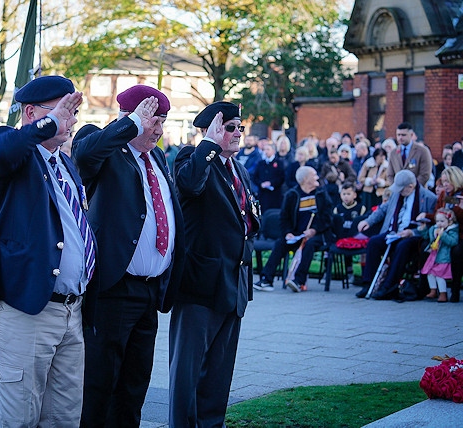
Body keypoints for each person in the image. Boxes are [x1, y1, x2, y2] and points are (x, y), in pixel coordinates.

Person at [0, 75, 86, 427]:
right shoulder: (9, 145)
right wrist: (48, 124)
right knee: (22, 415)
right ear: (30, 112)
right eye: (63, 111)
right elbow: (0, 155)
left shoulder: (64, 163)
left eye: (73, 112)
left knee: (64, 416)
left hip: (70, 309)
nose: (70, 120)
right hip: (25, 305)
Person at [73, 85, 185, 427]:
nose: (160, 130)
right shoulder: (105, 146)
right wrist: (131, 123)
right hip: (115, 287)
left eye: (163, 122)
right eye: (155, 121)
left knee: (135, 384)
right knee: (101, 383)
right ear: (132, 118)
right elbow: (84, 156)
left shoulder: (158, 157)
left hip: (150, 290)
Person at [169, 101, 259, 427]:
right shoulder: (191, 158)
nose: (236, 133)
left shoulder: (240, 169)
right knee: (188, 372)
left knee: (219, 373)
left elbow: (246, 218)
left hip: (234, 283)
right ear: (210, 131)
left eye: (239, 127)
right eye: (228, 127)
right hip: (200, 283)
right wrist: (207, 145)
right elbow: (190, 184)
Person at [356, 170, 437, 299]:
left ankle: (389, 285)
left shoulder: (429, 198)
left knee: (402, 246)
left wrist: (412, 232)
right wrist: (368, 221)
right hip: (394, 231)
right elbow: (383, 209)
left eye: (402, 189)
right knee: (374, 242)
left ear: (411, 186)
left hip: (414, 235)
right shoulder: (396, 195)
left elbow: (432, 222)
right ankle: (369, 283)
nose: (399, 191)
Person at [254, 166, 332, 292]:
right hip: (296, 234)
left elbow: (328, 217)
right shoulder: (292, 195)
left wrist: (314, 230)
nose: (317, 177)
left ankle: (298, 281)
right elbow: (284, 218)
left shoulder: (321, 194)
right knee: (280, 243)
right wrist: (288, 233)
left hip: (317, 235)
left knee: (309, 244)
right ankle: (266, 280)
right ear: (306, 179)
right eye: (314, 175)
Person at [417, 166, 463, 302]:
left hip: (459, 232)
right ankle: (428, 288)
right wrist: (426, 216)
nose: (445, 185)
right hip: (442, 230)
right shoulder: (444, 195)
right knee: (426, 245)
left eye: (447, 181)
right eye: (443, 182)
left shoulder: (460, 195)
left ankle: (454, 290)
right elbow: (439, 214)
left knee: (457, 251)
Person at [418, 208, 459, 302]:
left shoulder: (452, 230)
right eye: (437, 221)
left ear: (450, 221)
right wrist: (423, 229)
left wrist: (443, 235)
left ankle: (443, 293)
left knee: (439, 275)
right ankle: (433, 290)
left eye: (442, 221)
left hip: (443, 257)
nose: (439, 223)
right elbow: (427, 237)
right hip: (433, 256)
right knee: (430, 273)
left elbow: (453, 242)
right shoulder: (435, 228)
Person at [387, 122, 432, 188]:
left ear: (411, 135)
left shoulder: (422, 151)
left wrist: (411, 188)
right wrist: (396, 188)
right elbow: (390, 175)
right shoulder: (393, 153)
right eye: (398, 135)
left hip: (418, 191)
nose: (400, 138)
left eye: (403, 135)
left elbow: (425, 174)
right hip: (398, 192)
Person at [252, 141, 284, 211]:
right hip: (263, 194)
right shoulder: (260, 163)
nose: (266, 151)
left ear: (273, 151)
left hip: (275, 195)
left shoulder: (279, 163)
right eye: (264, 150)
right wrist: (261, 184)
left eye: (268, 149)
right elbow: (255, 177)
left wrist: (271, 183)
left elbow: (281, 177)